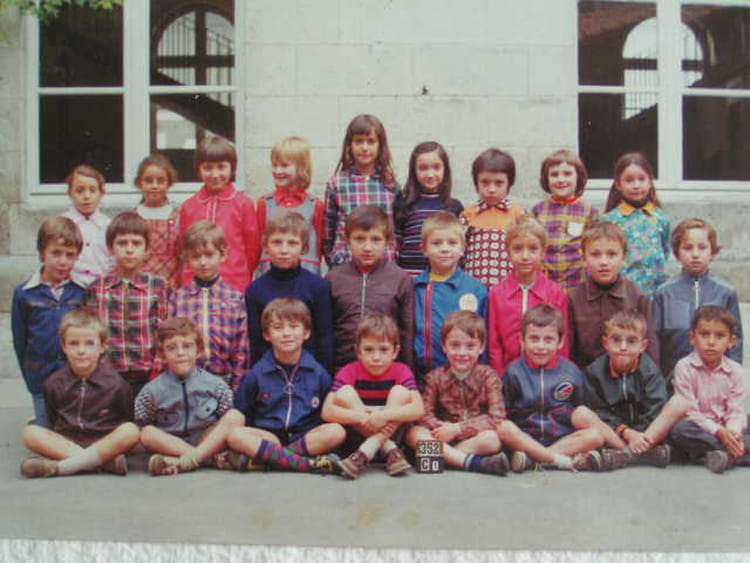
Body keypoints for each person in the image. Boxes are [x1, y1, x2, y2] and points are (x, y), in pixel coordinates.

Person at [20, 309, 140, 478]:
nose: (81, 350)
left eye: (89, 343)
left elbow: (125, 416)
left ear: (102, 346)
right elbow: (53, 418)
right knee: (30, 433)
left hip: (104, 443)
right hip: (67, 443)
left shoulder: (117, 385)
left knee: (131, 431)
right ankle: (102, 463)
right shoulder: (53, 383)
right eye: (74, 343)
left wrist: (110, 444)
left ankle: (61, 467)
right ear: (64, 347)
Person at [229, 298, 344, 474]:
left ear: (306, 333)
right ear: (267, 335)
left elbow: (327, 412)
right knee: (235, 435)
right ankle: (307, 465)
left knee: (336, 431)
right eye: (278, 328)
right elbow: (242, 409)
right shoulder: (258, 373)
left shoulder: (318, 373)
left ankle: (272, 460)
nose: (286, 333)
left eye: (293, 326)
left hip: (306, 438)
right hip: (270, 438)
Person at [497, 305, 609, 473]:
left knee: (595, 436)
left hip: (563, 439)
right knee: (504, 428)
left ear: (560, 341)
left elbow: (581, 406)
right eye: (534, 339)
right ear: (522, 340)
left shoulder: (571, 371)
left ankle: (536, 459)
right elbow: (505, 411)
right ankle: (556, 459)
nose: (540, 346)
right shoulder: (514, 372)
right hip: (525, 439)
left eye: (548, 339)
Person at [136, 317, 245, 476]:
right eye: (171, 348)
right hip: (171, 443)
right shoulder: (150, 391)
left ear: (198, 351)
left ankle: (183, 461)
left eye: (187, 346)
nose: (180, 353)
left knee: (235, 416)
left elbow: (226, 421)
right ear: (162, 354)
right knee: (147, 433)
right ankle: (209, 460)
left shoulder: (216, 385)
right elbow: (142, 423)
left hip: (208, 441)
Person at [406, 310, 509, 476]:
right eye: (454, 345)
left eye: (470, 346)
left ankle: (443, 457)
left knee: (492, 440)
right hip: (441, 436)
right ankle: (471, 463)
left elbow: (496, 417)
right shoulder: (435, 377)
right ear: (444, 347)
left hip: (473, 439)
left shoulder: (488, 376)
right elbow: (424, 414)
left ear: (481, 347)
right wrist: (442, 429)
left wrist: (457, 429)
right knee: (413, 433)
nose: (462, 353)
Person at [322, 315, 424, 479]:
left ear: (395, 351)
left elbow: (419, 409)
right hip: (358, 436)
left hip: (393, 432)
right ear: (358, 351)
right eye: (369, 349)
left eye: (383, 350)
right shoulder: (348, 371)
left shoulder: (402, 370)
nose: (376, 357)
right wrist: (364, 417)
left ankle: (365, 452)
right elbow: (327, 411)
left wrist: (384, 416)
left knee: (400, 392)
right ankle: (389, 450)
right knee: (344, 392)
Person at [584, 311, 688, 467]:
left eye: (631, 341)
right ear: (606, 343)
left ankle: (625, 455)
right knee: (581, 414)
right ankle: (641, 454)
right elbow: (598, 410)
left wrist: (638, 436)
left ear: (643, 346)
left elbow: (655, 409)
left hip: (647, 433)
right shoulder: (595, 372)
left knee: (679, 403)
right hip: (615, 434)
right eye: (616, 340)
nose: (623, 347)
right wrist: (626, 432)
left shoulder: (650, 371)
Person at [12, 216, 87, 427]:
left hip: (74, 376)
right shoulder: (24, 294)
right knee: (45, 432)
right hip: (40, 377)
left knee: (73, 428)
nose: (63, 261)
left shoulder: (80, 292)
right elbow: (20, 340)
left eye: (70, 255)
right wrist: (30, 375)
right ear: (41, 252)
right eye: (56, 253)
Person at [85, 211, 168, 396]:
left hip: (148, 375)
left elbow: (163, 330)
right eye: (122, 243)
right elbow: (92, 333)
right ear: (111, 248)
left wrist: (159, 368)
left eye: (136, 243)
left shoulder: (158, 286)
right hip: (108, 375)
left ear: (147, 248)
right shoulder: (97, 289)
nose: (129, 250)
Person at [326, 205, 414, 373]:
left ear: (387, 241)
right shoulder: (333, 279)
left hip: (387, 371)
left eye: (375, 239)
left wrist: (406, 376)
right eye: (359, 239)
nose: (367, 247)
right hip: (342, 370)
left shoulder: (400, 280)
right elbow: (326, 331)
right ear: (347, 240)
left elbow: (407, 333)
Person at [652, 218, 743, 379]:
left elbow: (735, 340)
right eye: (688, 248)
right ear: (677, 253)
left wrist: (732, 377)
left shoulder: (725, 292)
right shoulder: (664, 293)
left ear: (713, 252)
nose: (695, 254)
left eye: (702, 248)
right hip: (672, 378)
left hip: (716, 379)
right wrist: (656, 380)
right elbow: (655, 339)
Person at [246, 212, 334, 373]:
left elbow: (325, 339)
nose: (284, 250)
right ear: (265, 247)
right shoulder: (255, 290)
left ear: (304, 248)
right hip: (269, 373)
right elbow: (255, 343)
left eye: (292, 243)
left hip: (310, 374)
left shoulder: (318, 287)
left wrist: (323, 378)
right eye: (277, 242)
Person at [169, 221, 249, 390]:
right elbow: (170, 342)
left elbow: (241, 349)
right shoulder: (178, 298)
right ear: (187, 258)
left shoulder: (234, 299)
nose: (203, 262)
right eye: (196, 257)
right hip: (185, 382)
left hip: (224, 382)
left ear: (223, 255)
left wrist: (238, 387)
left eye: (209, 255)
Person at [670, 306, 750, 473]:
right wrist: (719, 432)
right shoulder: (684, 367)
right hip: (699, 428)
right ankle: (736, 454)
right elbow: (689, 412)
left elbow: (736, 411)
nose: (711, 342)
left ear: (731, 341)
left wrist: (732, 433)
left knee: (745, 420)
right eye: (704, 334)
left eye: (719, 336)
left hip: (727, 426)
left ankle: (720, 456)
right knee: (679, 430)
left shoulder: (736, 371)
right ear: (692, 338)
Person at [568, 221, 658, 369]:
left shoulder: (637, 297)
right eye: (595, 254)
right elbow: (570, 351)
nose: (604, 262)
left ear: (624, 258)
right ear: (584, 259)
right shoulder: (574, 298)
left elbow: (651, 348)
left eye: (611, 254)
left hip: (629, 377)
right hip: (586, 377)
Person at [488, 216, 569, 377]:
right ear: (508, 252)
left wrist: (558, 378)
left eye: (532, 249)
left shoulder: (555, 293)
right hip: (509, 377)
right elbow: (494, 344)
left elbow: (563, 342)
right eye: (517, 249)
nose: (525, 256)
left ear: (543, 252)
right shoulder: (497, 294)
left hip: (547, 377)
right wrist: (499, 379)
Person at [414, 212, 487, 385]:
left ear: (463, 248)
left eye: (452, 243)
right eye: (436, 243)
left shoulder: (476, 289)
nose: (445, 249)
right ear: (424, 249)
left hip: (464, 377)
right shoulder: (416, 287)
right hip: (421, 376)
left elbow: (484, 336)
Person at [179, 136, 260, 292]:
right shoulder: (189, 206)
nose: (215, 174)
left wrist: (242, 274)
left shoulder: (243, 204)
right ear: (198, 169)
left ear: (232, 168)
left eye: (221, 167)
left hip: (233, 281)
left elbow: (252, 250)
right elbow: (184, 248)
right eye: (208, 168)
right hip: (195, 283)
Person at [324, 114, 400, 266]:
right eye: (359, 141)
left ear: (380, 146)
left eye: (371, 141)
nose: (365, 148)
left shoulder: (390, 184)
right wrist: (334, 259)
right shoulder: (336, 184)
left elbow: (397, 229)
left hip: (383, 266)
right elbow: (328, 232)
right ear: (349, 145)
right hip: (346, 264)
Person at [255, 136, 325, 276]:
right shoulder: (265, 203)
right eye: (274, 165)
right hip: (271, 273)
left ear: (301, 168)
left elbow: (320, 246)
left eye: (284, 165)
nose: (277, 171)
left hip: (306, 273)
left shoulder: (315, 205)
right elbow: (259, 244)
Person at [601, 152, 670, 294]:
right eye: (629, 180)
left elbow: (665, 250)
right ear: (618, 184)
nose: (636, 185)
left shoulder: (661, 218)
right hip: (623, 294)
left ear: (650, 182)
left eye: (641, 179)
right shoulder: (610, 220)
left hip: (655, 293)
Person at [532, 149, 599, 291]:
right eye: (554, 175)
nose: (561, 180)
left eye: (567, 174)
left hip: (579, 284)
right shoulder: (538, 211)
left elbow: (595, 250)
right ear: (546, 178)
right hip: (546, 285)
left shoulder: (589, 212)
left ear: (578, 177)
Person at [394, 141, 463, 277]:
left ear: (445, 169)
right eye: (423, 168)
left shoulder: (454, 207)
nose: (430, 174)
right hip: (409, 277)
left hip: (443, 279)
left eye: (436, 167)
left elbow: (458, 246)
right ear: (414, 171)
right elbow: (396, 243)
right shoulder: (404, 204)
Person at [459, 148, 525, 287]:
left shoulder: (518, 214)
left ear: (509, 184)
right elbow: (459, 253)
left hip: (509, 288)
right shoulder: (469, 214)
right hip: (474, 287)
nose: (491, 189)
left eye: (499, 183)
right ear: (476, 183)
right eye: (485, 182)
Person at [133, 153, 181, 289]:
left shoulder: (177, 216)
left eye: (160, 181)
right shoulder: (132, 217)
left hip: (171, 285)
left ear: (169, 183)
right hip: (139, 287)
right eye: (149, 181)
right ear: (140, 183)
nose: (154, 186)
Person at [62, 164, 114, 285]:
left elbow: (113, 259)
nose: (87, 196)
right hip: (71, 285)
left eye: (92, 190)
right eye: (80, 191)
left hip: (102, 285)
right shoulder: (62, 224)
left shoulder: (109, 226)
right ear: (70, 193)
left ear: (101, 193)